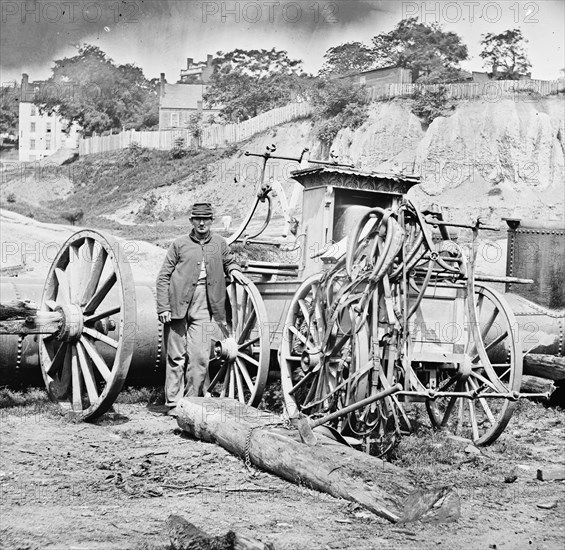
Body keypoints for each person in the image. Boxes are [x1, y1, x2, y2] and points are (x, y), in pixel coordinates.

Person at [156, 202, 240, 416]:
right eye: (197, 219)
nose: (202, 223)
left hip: (206, 304)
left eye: (206, 219)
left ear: (212, 221)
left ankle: (191, 404)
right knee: (176, 356)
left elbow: (230, 261)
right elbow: (164, 276)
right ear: (191, 221)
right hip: (177, 305)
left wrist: (235, 270)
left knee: (200, 357)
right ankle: (174, 403)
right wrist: (163, 306)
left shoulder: (220, 243)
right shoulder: (179, 244)